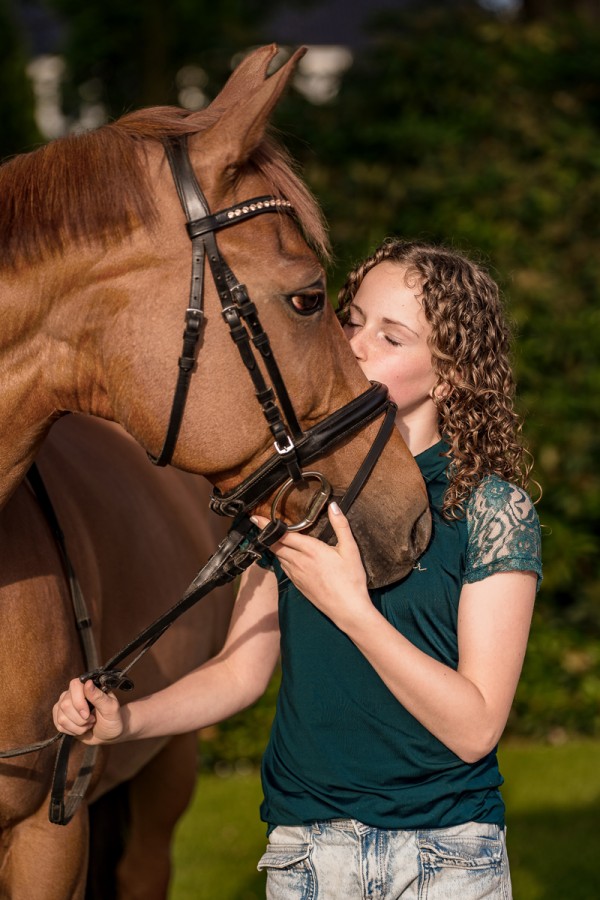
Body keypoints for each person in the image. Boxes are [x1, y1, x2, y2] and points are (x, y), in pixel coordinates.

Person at [53, 239, 542, 900]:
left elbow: (475, 726)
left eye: (391, 337)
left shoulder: (490, 510)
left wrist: (351, 611)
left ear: (450, 376)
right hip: (309, 855)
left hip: (448, 857)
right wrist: (125, 722)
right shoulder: (292, 493)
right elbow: (239, 671)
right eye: (352, 320)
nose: (356, 344)